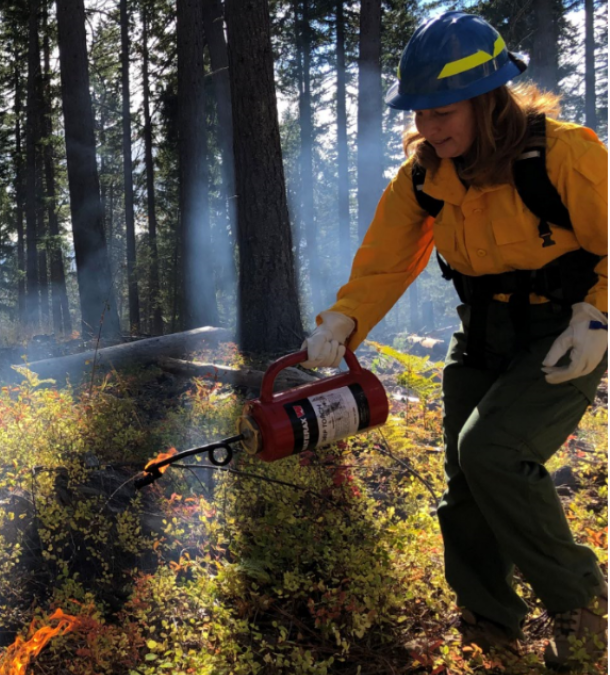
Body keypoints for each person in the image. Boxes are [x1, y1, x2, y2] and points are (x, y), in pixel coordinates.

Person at [301, 11, 608, 670]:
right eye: (421, 112)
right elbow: (385, 260)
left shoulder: (565, 155)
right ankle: (489, 621)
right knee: (465, 477)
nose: (430, 127)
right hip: (482, 335)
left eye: (444, 110)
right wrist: (343, 319)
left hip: (566, 334)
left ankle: (581, 613)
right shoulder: (425, 176)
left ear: (487, 98)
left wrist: (597, 317)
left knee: (492, 449)